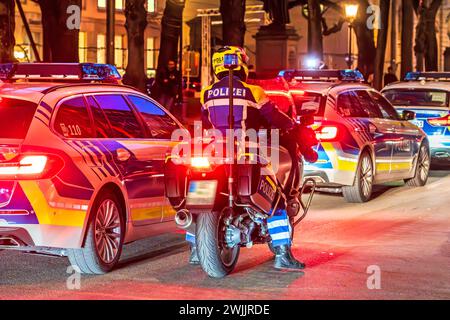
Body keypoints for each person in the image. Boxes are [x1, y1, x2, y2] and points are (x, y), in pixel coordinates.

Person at [187, 46, 317, 272]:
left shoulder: (206, 93)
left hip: (215, 154)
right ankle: (283, 254)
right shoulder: (253, 92)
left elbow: (205, 124)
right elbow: (278, 119)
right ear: (241, 65)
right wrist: (294, 128)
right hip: (248, 152)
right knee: (277, 200)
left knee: (197, 199)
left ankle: (196, 249)